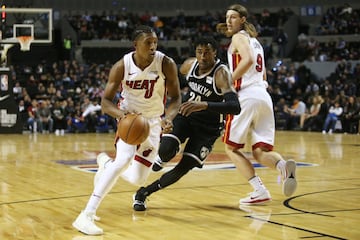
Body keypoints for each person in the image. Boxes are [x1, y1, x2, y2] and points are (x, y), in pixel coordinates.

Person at [72, 25, 181, 235]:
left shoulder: (166, 63)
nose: (152, 46)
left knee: (138, 179)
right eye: (148, 42)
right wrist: (122, 117)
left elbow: (176, 98)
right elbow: (105, 103)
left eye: (155, 42)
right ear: (135, 45)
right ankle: (86, 214)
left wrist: (169, 117)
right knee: (123, 160)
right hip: (129, 119)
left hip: (154, 122)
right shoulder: (122, 66)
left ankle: (105, 164)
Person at [132, 36, 241, 211]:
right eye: (199, 52)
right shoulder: (189, 65)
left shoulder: (221, 74)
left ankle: (143, 193)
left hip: (208, 128)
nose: (203, 56)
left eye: (207, 52)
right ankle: (162, 157)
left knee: (184, 167)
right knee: (166, 149)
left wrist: (204, 104)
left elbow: (235, 107)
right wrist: (167, 115)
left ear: (215, 53)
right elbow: (172, 86)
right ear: (195, 53)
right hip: (185, 117)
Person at [217, 4, 297, 205]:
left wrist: (228, 84)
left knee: (231, 149)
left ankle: (259, 190)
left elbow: (248, 60)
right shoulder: (257, 43)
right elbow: (263, 73)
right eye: (227, 17)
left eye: (233, 17)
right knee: (260, 151)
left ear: (243, 19)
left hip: (246, 96)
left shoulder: (238, 38)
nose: (229, 21)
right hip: (263, 95)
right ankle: (282, 166)